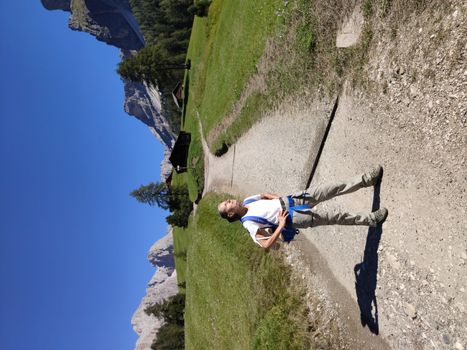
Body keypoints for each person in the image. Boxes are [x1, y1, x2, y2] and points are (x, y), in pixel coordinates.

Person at [218, 166, 388, 249]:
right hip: (296, 217)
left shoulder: (248, 201)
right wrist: (281, 225)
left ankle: (366, 179)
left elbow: (263, 195)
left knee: (331, 188)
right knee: (335, 216)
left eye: (226, 200)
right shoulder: (249, 224)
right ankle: (371, 219)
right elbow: (266, 245)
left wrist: (279, 199)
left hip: (294, 199)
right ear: (231, 213)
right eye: (227, 204)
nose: (229, 200)